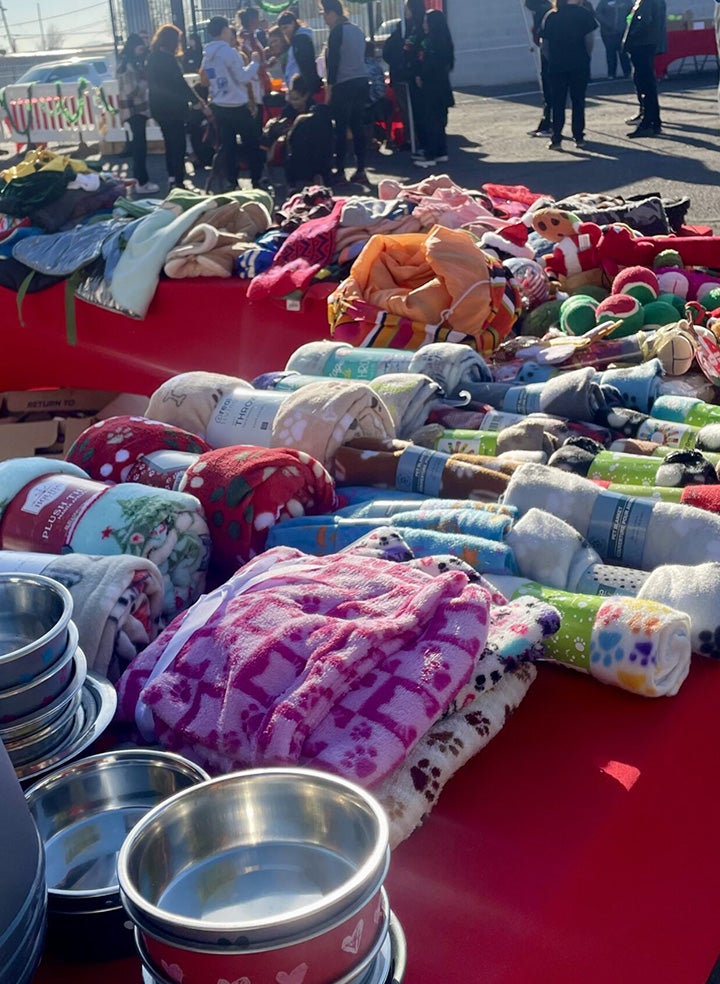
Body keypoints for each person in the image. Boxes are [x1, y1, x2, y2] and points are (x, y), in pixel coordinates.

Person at [201, 15, 264, 190]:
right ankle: (256, 180)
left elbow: (206, 79)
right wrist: (255, 63)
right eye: (228, 28)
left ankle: (232, 182)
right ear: (223, 30)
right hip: (236, 105)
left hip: (219, 105)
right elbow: (243, 77)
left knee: (228, 146)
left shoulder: (207, 54)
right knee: (252, 143)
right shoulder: (229, 52)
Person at [321, 0, 370, 186]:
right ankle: (361, 169)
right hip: (361, 81)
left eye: (324, 14)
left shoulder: (336, 32)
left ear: (332, 13)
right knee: (358, 126)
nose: (324, 19)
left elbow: (333, 64)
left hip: (343, 83)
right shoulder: (357, 30)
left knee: (341, 129)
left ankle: (340, 171)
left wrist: (329, 90)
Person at [147, 24, 200, 188]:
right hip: (173, 109)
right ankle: (178, 179)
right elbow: (180, 84)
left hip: (159, 108)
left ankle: (172, 178)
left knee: (170, 144)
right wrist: (196, 100)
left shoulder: (152, 58)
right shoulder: (169, 60)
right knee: (178, 144)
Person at [539, 0, 597, 150]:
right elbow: (589, 40)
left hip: (557, 65)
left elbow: (544, 44)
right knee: (578, 101)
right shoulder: (584, 14)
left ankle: (556, 137)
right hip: (579, 64)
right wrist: (585, 57)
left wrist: (552, 59)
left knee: (557, 103)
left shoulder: (550, 16)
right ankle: (578, 136)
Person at [262, 73, 334, 188]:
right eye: (291, 99)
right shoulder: (288, 110)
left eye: (296, 99)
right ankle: (292, 184)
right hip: (294, 147)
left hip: (315, 147)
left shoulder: (315, 109)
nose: (293, 102)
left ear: (305, 96)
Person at [117, 33, 159, 194]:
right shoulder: (129, 65)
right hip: (135, 109)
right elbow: (131, 90)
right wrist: (145, 82)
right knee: (140, 146)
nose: (142, 51)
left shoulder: (124, 62)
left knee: (138, 145)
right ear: (134, 47)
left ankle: (139, 179)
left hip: (130, 110)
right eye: (140, 48)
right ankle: (142, 182)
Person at [413, 8, 454, 168]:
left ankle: (431, 154)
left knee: (431, 121)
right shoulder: (444, 39)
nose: (423, 24)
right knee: (440, 120)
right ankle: (441, 151)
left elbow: (430, 64)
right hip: (442, 86)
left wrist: (420, 75)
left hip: (433, 87)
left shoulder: (433, 41)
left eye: (425, 21)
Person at [622, 0, 666, 137]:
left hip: (642, 46)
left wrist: (630, 39)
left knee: (645, 84)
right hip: (646, 45)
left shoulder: (647, 2)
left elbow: (644, 23)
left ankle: (648, 122)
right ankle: (654, 120)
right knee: (647, 85)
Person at [402, 0, 429, 160]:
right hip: (414, 75)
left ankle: (425, 146)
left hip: (419, 76)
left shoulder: (419, 29)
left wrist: (418, 73)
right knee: (417, 113)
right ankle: (423, 145)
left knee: (421, 113)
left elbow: (419, 53)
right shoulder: (411, 27)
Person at [381, 19, 412, 150]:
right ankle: (411, 137)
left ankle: (409, 137)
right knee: (409, 110)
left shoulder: (394, 38)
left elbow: (386, 54)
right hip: (407, 76)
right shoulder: (410, 35)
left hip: (398, 77)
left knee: (404, 110)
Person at [277, 10, 322, 94]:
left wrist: (303, 85)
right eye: (282, 29)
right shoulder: (297, 39)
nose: (285, 32)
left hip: (301, 87)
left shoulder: (301, 40)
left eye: (286, 27)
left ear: (293, 24)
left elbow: (305, 65)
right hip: (298, 85)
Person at [525, 0, 553, 136]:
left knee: (549, 89)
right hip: (548, 51)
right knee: (549, 90)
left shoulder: (543, 10)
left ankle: (549, 124)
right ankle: (547, 122)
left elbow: (541, 35)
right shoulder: (546, 8)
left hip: (548, 53)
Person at [595, 0, 632, 77]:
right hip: (608, 33)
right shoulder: (604, 2)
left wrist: (626, 25)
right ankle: (611, 73)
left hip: (623, 32)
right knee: (610, 53)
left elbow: (632, 14)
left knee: (624, 52)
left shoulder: (627, 2)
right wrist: (608, 24)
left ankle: (627, 72)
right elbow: (598, 14)